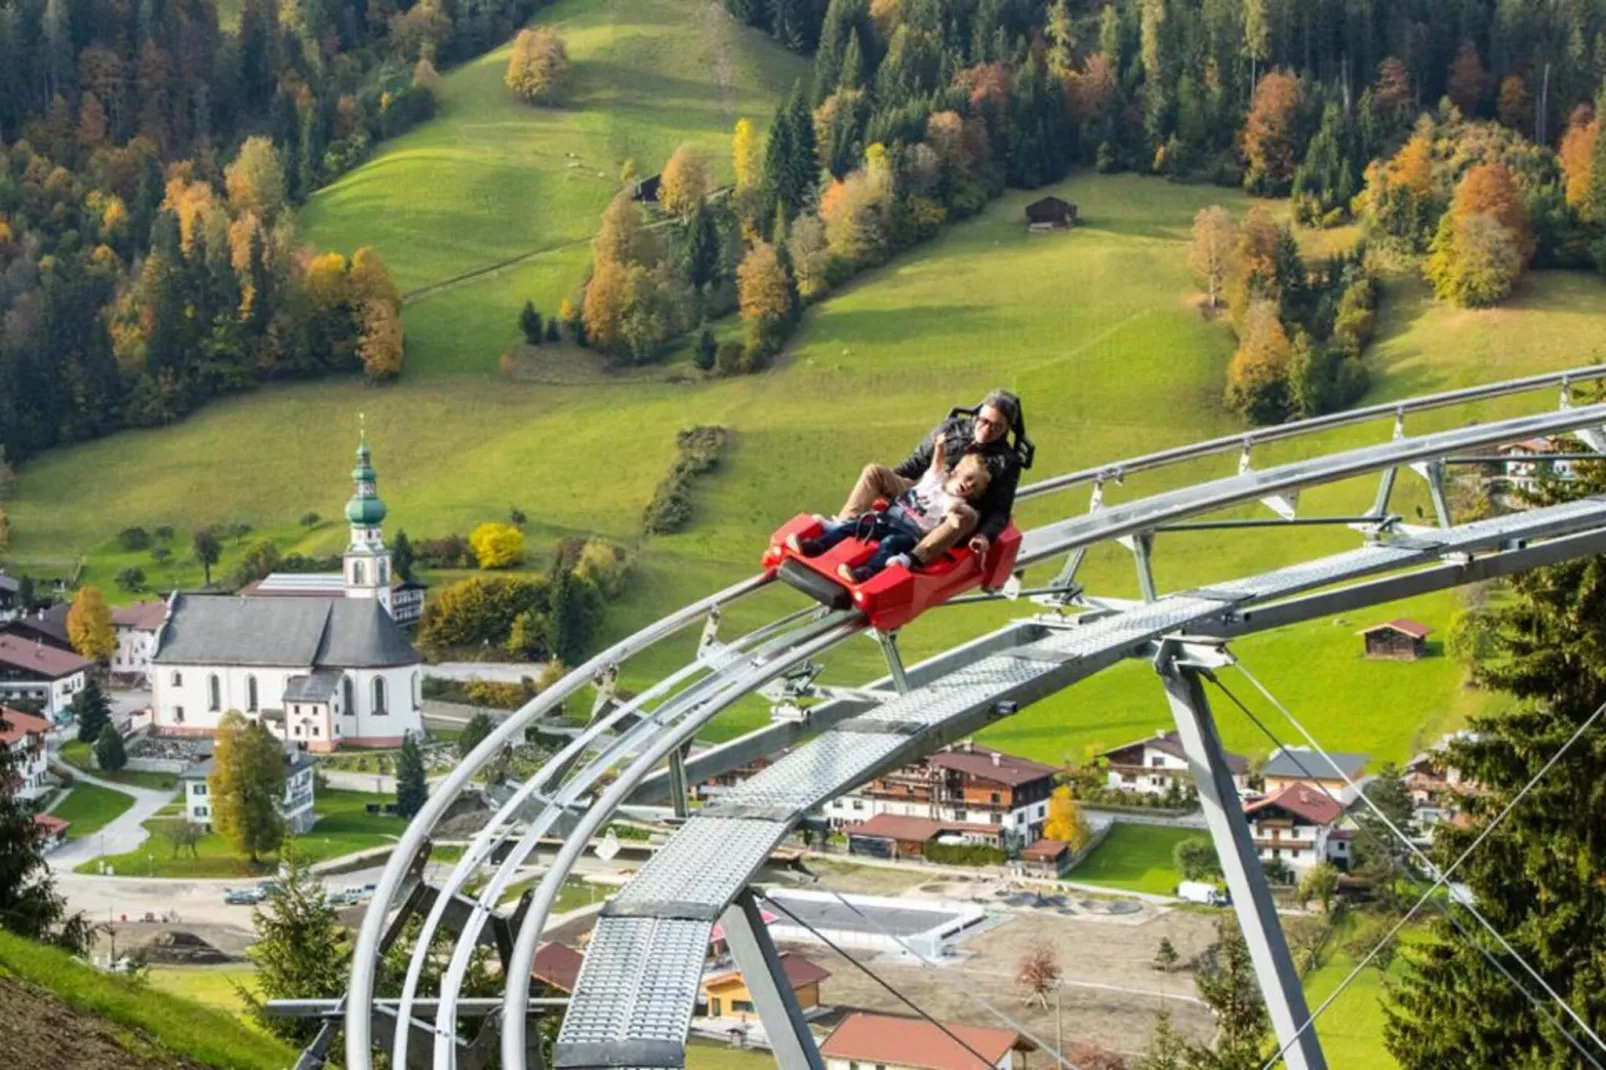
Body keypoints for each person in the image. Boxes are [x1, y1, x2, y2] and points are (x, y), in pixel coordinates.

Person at [834, 388, 1027, 566]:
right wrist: (888, 486)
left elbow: (1000, 511)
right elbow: (915, 464)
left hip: (953, 510)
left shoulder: (1006, 462)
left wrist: (984, 536)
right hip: (926, 492)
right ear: (977, 416)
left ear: (1006, 430)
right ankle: (845, 524)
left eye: (996, 427)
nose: (986, 430)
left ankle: (914, 557)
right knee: (873, 471)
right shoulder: (952, 429)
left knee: (964, 517)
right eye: (984, 421)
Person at [790, 447, 992, 583]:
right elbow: (935, 463)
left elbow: (950, 511)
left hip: (909, 532)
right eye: (968, 479)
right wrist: (939, 446)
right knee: (855, 527)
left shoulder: (955, 501)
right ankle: (818, 545)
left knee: (890, 543)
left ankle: (867, 572)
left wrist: (954, 518)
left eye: (973, 487)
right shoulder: (936, 479)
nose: (968, 486)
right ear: (955, 472)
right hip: (889, 518)